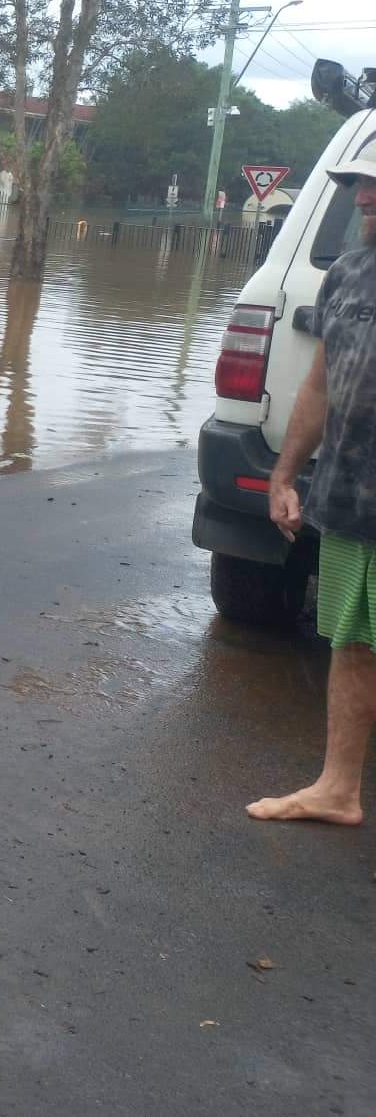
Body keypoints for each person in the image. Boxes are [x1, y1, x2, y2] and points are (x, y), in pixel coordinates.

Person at [246, 147, 376, 828]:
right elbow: (321, 385)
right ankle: (338, 789)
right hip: (354, 502)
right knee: (353, 644)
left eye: (374, 187)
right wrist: (286, 473)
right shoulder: (349, 275)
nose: (361, 198)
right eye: (358, 185)